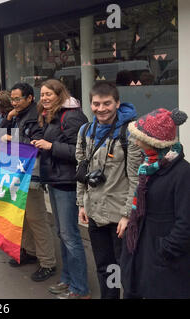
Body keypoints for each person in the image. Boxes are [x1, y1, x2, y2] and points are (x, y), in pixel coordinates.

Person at [76, 82, 142, 299]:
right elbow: (81, 169)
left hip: (119, 216)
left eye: (107, 103)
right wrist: (81, 204)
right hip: (95, 212)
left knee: (128, 270)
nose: (101, 109)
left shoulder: (130, 133)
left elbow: (136, 179)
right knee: (106, 266)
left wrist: (127, 215)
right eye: (96, 104)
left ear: (117, 103)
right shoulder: (86, 130)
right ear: (90, 104)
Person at [121, 108, 190, 299]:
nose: (135, 142)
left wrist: (165, 250)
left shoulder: (183, 173)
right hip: (142, 251)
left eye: (139, 137)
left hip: (163, 262)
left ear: (155, 142)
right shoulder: (148, 166)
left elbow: (185, 223)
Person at [31, 79, 89, 299]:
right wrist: (40, 141)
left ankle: (81, 289)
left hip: (67, 182)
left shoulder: (72, 115)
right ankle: (68, 280)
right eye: (42, 94)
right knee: (63, 234)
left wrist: (51, 146)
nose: (44, 98)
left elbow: (80, 151)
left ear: (60, 94)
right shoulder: (51, 114)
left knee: (70, 236)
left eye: (49, 94)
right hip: (54, 179)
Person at [0, 83, 57, 283]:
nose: (14, 103)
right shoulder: (18, 115)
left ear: (30, 98)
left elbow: (35, 145)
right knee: (22, 217)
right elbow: (1, 134)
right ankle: (30, 251)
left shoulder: (36, 117)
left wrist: (12, 140)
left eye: (17, 99)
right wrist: (8, 118)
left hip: (31, 175)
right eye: (12, 100)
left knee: (37, 220)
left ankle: (48, 262)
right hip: (18, 173)